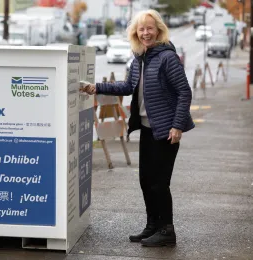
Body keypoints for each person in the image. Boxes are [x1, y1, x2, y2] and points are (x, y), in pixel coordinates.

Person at [80, 9, 195, 247]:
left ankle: (167, 230)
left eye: (150, 28)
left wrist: (177, 125)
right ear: (135, 33)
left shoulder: (167, 58)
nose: (145, 33)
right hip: (147, 129)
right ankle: (153, 224)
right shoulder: (139, 59)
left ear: (159, 30)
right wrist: (96, 87)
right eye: (141, 29)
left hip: (166, 131)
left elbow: (184, 92)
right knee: (145, 180)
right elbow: (126, 87)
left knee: (159, 183)